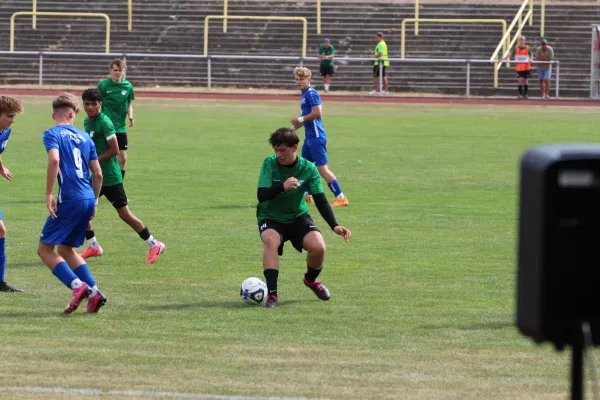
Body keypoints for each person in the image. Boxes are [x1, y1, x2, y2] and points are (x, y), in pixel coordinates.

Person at [257, 128, 351, 308]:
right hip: (271, 217)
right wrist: (282, 187)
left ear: (294, 147)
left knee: (319, 247)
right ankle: (273, 296)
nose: (278, 155)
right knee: (271, 240)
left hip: (297, 216)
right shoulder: (269, 164)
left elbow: (321, 200)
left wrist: (335, 226)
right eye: (276, 150)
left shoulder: (308, 168)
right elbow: (261, 195)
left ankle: (310, 280)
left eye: (282, 150)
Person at [37, 93, 107, 314]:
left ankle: (77, 287)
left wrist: (49, 193)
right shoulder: (85, 137)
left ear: (54, 114)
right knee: (66, 248)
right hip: (87, 197)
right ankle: (95, 293)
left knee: (45, 249)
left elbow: (55, 159)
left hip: (69, 198)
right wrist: (94, 201)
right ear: (71, 113)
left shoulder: (52, 133)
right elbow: (97, 174)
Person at [79, 89, 165, 264]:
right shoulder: (87, 122)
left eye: (93, 104)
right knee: (81, 209)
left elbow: (115, 150)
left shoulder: (105, 123)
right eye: (86, 104)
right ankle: (93, 245)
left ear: (100, 104)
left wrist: (94, 160)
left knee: (124, 214)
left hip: (110, 177)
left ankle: (154, 244)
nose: (90, 107)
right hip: (96, 176)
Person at [290, 67, 349, 207]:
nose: (299, 82)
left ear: (309, 80)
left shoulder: (311, 93)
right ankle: (306, 195)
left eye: (301, 80)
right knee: (304, 167)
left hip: (316, 137)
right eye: (297, 80)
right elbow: (306, 119)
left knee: (322, 169)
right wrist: (291, 130)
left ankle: (340, 197)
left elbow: (317, 113)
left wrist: (299, 120)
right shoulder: (305, 94)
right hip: (309, 137)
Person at [0, 96, 24, 293]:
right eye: (9, 116)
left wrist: (1, 167)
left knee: (1, 231)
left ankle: (0, 282)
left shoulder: (6, 131)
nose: (12, 120)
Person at [97, 59, 135, 179]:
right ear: (110, 71)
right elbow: (96, 103)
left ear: (123, 71)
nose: (118, 73)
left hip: (120, 127)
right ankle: (96, 185)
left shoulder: (128, 86)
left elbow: (129, 104)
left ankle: (119, 187)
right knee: (103, 158)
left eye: (120, 70)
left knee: (122, 159)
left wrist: (130, 116)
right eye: (115, 70)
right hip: (106, 126)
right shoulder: (103, 85)